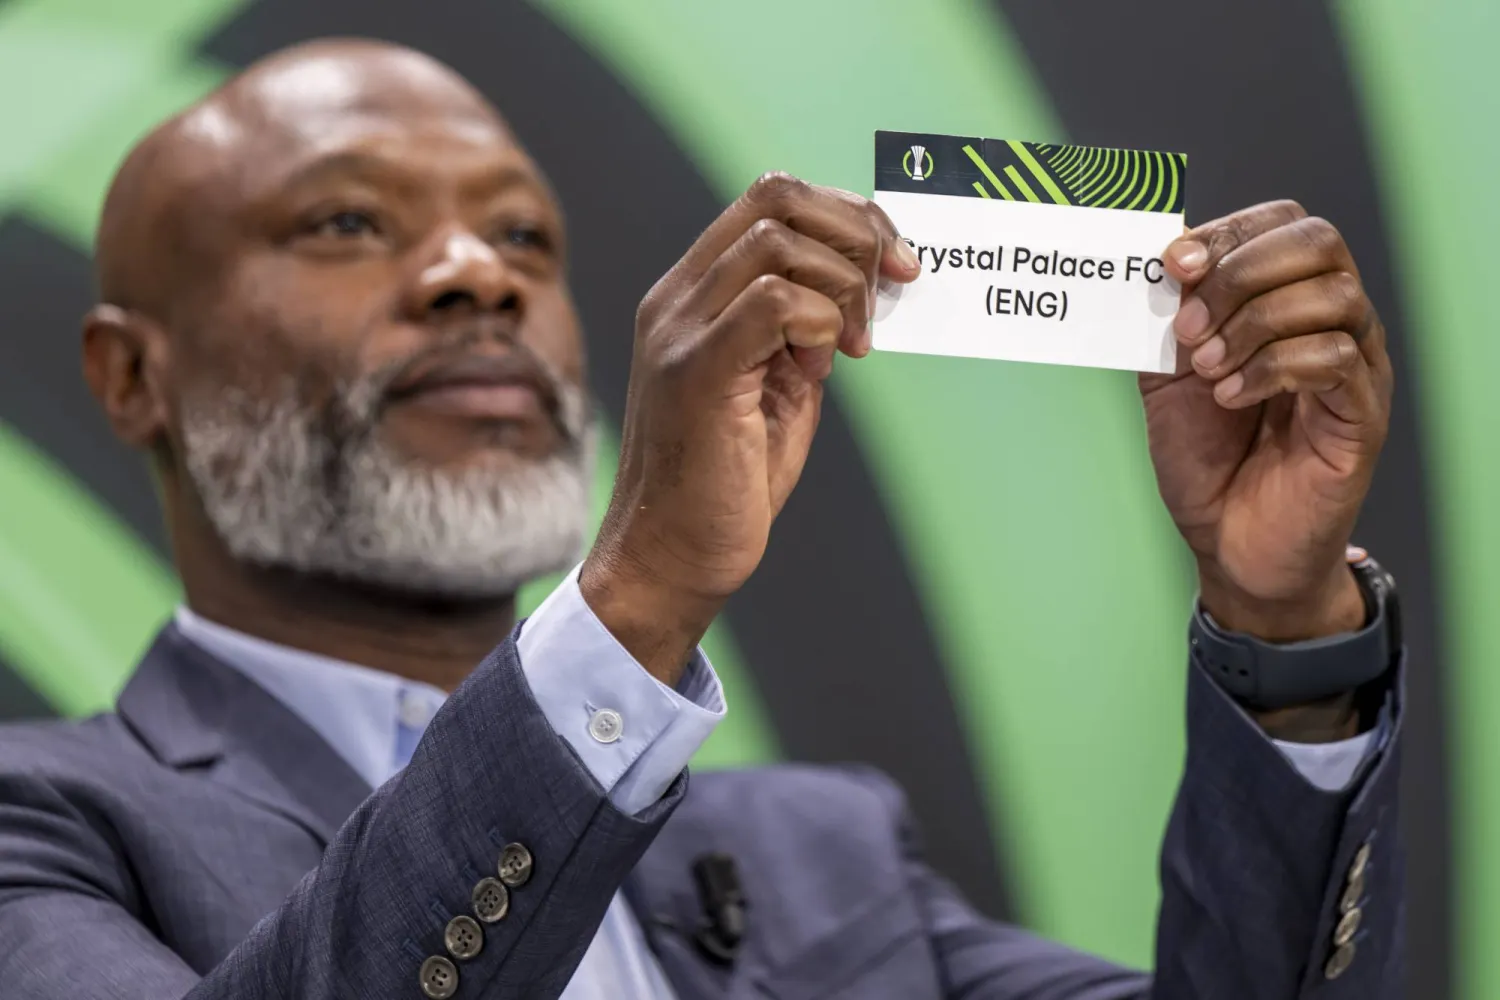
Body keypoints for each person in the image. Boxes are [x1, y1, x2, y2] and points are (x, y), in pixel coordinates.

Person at [0, 38, 1402, 1000]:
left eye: (524, 241)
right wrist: (642, 593)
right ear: (134, 375)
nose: (473, 276)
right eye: (347, 225)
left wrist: (1284, 624)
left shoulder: (822, 850)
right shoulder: (50, 826)